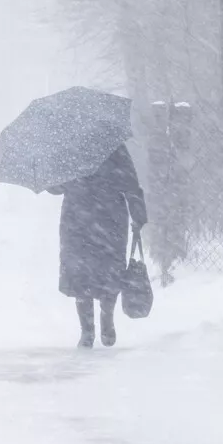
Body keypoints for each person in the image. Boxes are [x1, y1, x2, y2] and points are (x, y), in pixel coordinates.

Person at [47, 143, 147, 348]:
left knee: (86, 271)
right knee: (100, 270)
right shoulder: (114, 145)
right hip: (105, 217)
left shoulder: (71, 147)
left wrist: (56, 175)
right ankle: (97, 324)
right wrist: (138, 214)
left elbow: (55, 187)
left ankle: (93, 326)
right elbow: (130, 182)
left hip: (82, 217)